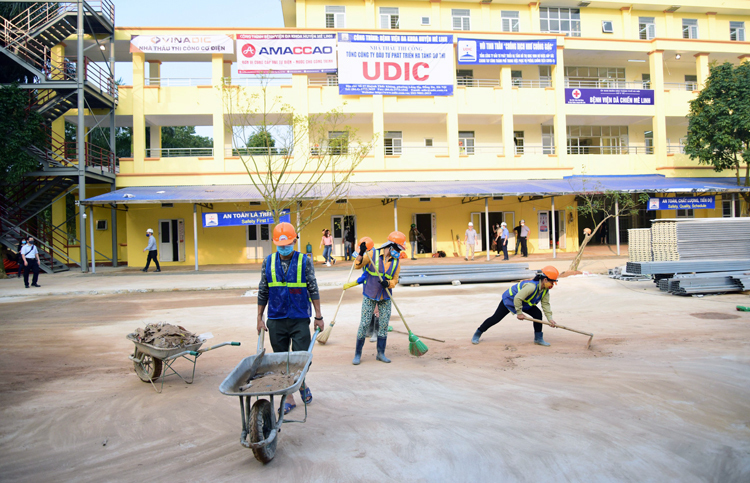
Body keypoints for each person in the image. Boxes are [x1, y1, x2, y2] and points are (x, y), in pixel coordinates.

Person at [257, 222, 324, 414]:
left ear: (295, 241)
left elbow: (313, 288)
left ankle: (300, 381)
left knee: (302, 357)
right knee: (281, 359)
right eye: (280, 244)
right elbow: (263, 290)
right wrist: (259, 318)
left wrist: (319, 316)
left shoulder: (304, 261)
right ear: (275, 243)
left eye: (287, 243)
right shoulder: (268, 262)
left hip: (299, 317)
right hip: (276, 318)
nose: (284, 247)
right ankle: (289, 396)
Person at [352, 231, 405, 365]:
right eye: (398, 248)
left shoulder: (396, 262)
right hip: (370, 294)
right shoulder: (373, 254)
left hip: (385, 297)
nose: (398, 251)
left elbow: (395, 279)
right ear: (390, 245)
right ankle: (357, 354)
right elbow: (357, 266)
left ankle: (380, 353)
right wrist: (360, 253)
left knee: (383, 325)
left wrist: (389, 283)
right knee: (364, 324)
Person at [471, 266, 559, 346]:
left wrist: (550, 319)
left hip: (524, 303)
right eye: (552, 282)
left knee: (538, 314)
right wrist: (519, 313)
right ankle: (478, 333)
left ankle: (538, 338)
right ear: (545, 280)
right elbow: (517, 298)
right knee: (496, 318)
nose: (552, 284)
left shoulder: (545, 290)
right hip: (510, 300)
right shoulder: (531, 287)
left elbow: (546, 304)